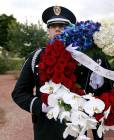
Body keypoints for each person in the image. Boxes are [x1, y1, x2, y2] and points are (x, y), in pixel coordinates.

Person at [11, 6, 77, 140]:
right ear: (48, 30)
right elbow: (19, 93)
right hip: (46, 128)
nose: (58, 29)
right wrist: (41, 106)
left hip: (74, 126)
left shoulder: (80, 58)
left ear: (70, 29)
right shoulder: (36, 56)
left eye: (63, 26)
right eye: (53, 26)